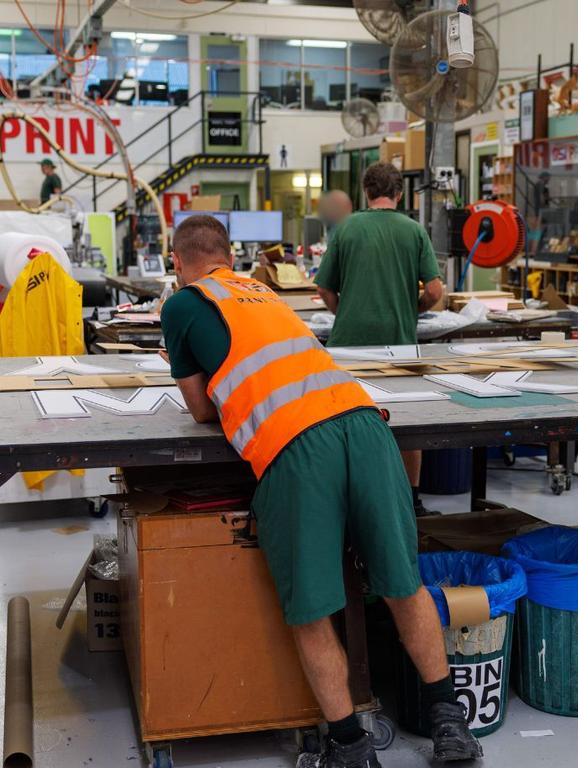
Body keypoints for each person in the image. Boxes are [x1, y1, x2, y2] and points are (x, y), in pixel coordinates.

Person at [160, 215, 481, 768]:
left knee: (313, 608)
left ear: (176, 262)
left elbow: (200, 411)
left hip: (296, 446)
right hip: (366, 425)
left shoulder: (183, 304)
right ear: (231, 259)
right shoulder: (261, 291)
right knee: (404, 586)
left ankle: (350, 748)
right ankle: (451, 724)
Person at [315, 163, 444, 517]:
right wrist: (409, 309)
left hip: (348, 346)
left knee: (347, 420)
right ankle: (412, 499)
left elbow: (324, 287)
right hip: (399, 343)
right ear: (399, 194)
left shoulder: (347, 229)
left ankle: (351, 499)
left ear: (365, 192)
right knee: (408, 422)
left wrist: (345, 311)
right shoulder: (413, 230)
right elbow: (435, 291)